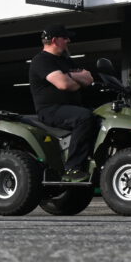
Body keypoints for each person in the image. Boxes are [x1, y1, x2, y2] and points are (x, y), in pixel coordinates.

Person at [28, 24, 99, 182]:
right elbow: (64, 84)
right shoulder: (41, 61)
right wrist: (73, 78)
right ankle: (73, 168)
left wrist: (69, 76)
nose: (68, 40)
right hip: (50, 110)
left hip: (71, 107)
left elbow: (88, 78)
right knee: (85, 117)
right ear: (54, 40)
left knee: (100, 115)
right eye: (65, 38)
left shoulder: (66, 60)